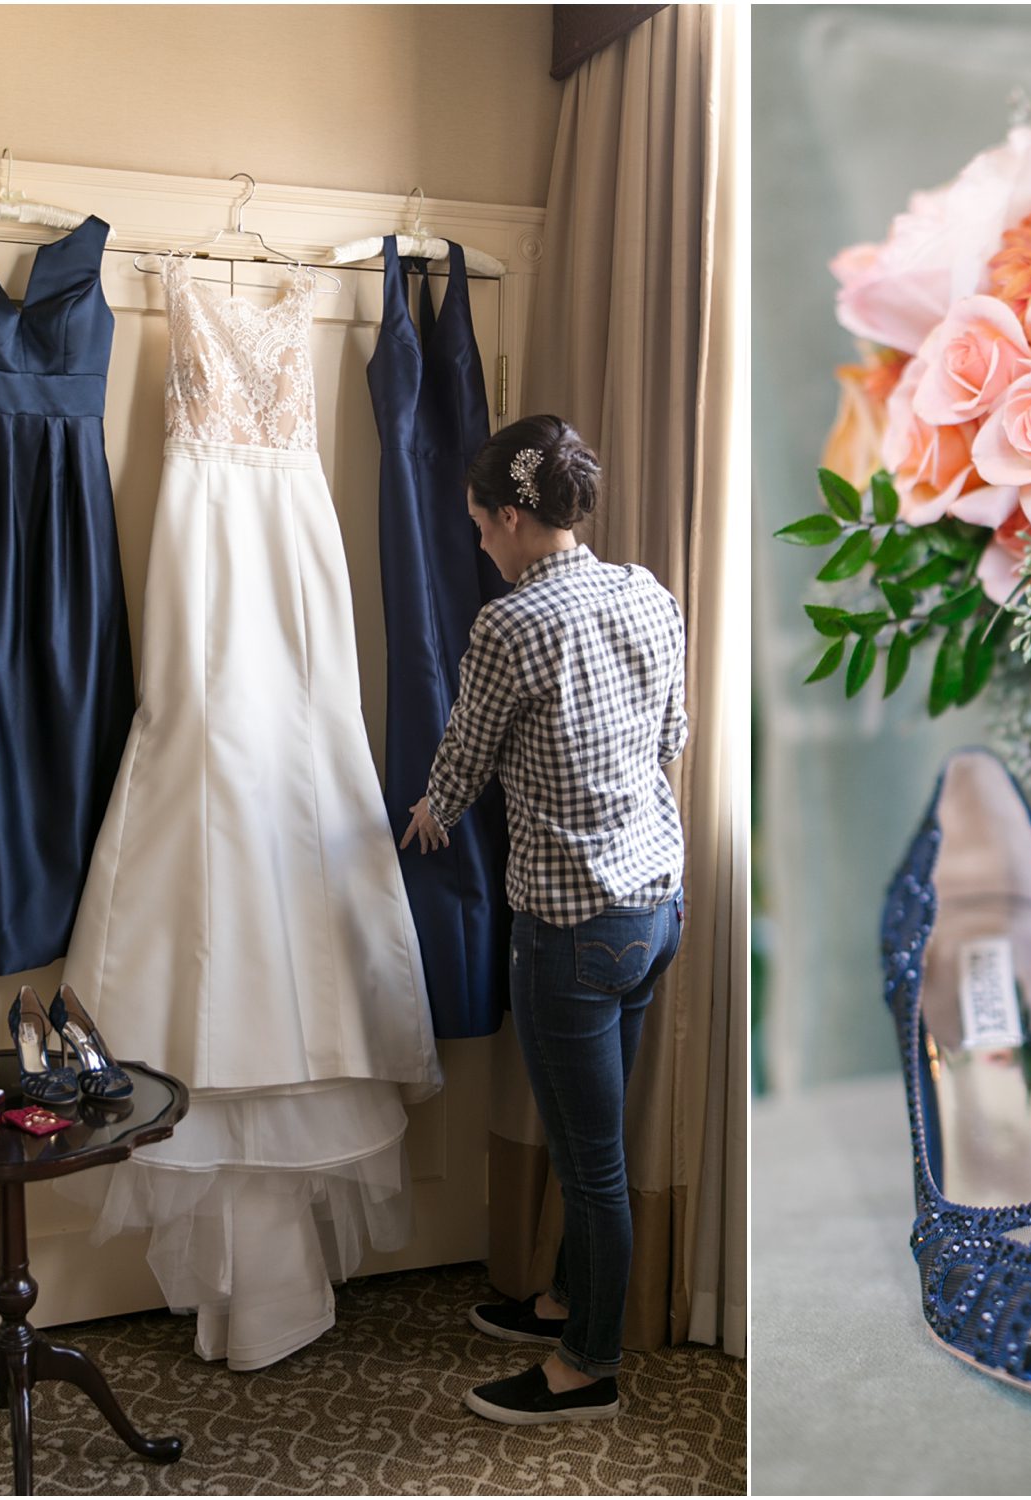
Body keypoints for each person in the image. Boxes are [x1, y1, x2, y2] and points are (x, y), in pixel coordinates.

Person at [403, 413, 688, 1425]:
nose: (481, 542)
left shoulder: (510, 624)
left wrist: (432, 808)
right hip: (656, 909)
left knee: (591, 1163)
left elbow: (466, 750)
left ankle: (586, 1368)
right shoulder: (647, 591)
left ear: (515, 518)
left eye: (481, 525)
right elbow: (672, 734)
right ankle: (567, 1302)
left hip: (571, 929)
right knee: (593, 1142)